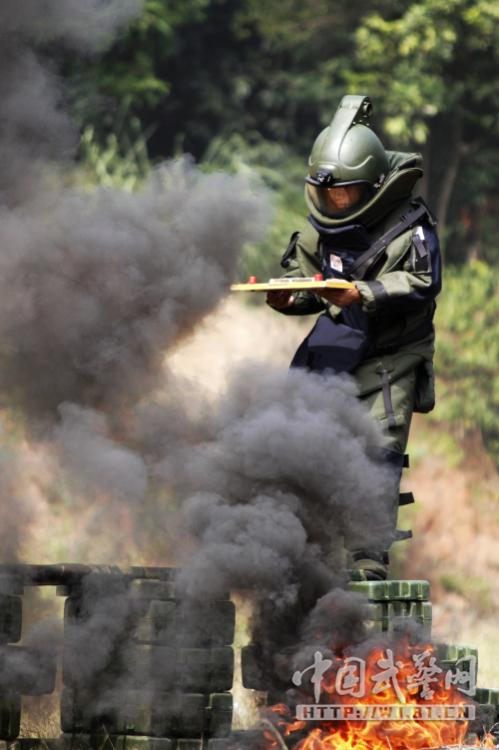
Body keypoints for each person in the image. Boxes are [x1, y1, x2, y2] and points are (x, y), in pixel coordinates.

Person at [267, 94, 442, 581]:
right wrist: (289, 299)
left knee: (378, 450)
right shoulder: (319, 232)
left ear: (374, 186)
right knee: (295, 438)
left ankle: (368, 560)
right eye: (329, 193)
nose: (335, 202)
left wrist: (363, 292)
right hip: (338, 344)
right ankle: (300, 548)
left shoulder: (412, 228)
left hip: (393, 355)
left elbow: (424, 283)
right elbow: (310, 286)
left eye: (346, 193)